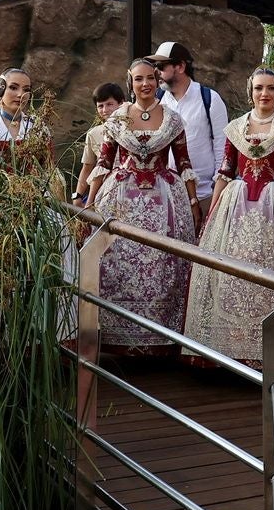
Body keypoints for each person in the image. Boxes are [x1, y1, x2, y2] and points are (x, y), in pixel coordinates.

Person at [183, 68, 274, 368]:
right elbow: (226, 172)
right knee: (232, 273)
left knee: (272, 272)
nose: (264, 94)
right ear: (250, 91)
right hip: (236, 209)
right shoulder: (235, 128)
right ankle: (230, 347)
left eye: (270, 88)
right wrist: (213, 211)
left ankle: (270, 351)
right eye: (258, 88)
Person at [87, 58, 199, 356]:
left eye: (151, 78)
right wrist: (88, 202)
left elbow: (185, 163)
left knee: (164, 263)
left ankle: (162, 338)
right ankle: (119, 337)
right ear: (130, 82)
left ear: (157, 80)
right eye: (139, 79)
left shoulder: (172, 119)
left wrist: (193, 203)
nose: (146, 84)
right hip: (121, 198)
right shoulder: (117, 119)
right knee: (119, 261)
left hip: (165, 200)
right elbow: (103, 162)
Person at [149, 41, 229, 217]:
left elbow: (222, 148)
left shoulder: (209, 99)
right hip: (165, 196)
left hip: (205, 196)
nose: (157, 73)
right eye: (155, 67)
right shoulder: (157, 101)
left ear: (180, 66)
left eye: (161, 66)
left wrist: (217, 192)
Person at [0, 68, 53, 169]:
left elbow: (48, 169)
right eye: (13, 87)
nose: (21, 94)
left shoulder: (37, 126)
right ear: (0, 89)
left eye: (26, 89)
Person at [73, 82, 125, 206]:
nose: (105, 110)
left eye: (109, 104)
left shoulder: (133, 129)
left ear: (121, 103)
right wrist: (77, 196)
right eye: (100, 106)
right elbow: (87, 167)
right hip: (102, 193)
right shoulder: (94, 134)